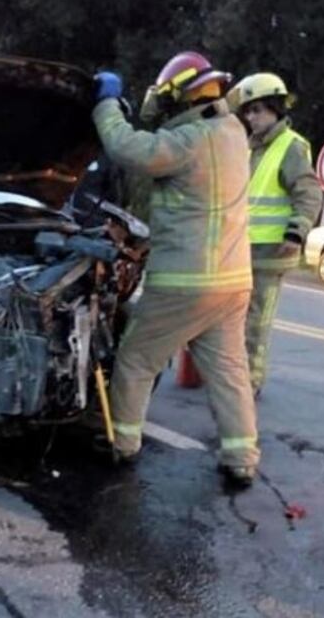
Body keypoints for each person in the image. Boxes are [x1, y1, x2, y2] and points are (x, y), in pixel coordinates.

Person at [92, 51, 259, 487]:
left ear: (177, 98)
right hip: (233, 280)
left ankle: (123, 445)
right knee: (228, 371)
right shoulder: (233, 132)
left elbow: (127, 148)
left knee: (135, 358)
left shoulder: (189, 142)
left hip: (186, 283)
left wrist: (106, 103)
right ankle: (241, 458)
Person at [225, 73, 323, 399]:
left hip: (271, 253)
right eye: (248, 111)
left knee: (255, 323)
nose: (251, 117)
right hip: (241, 249)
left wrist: (296, 233)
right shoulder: (249, 146)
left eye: (258, 110)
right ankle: (230, 377)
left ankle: (248, 385)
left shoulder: (291, 147)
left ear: (276, 110)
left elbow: (309, 194)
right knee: (229, 319)